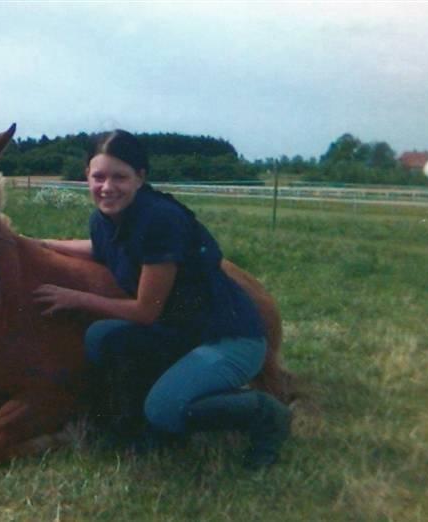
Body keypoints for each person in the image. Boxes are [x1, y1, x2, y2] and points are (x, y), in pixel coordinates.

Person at [32, 130, 291, 469]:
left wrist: (77, 298)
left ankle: (266, 414)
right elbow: (102, 249)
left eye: (119, 177)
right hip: (182, 332)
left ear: (141, 177)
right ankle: (142, 422)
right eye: (98, 177)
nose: (107, 187)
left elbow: (144, 312)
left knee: (164, 409)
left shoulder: (159, 220)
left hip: (229, 338)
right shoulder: (106, 219)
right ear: (87, 177)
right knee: (100, 337)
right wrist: (43, 243)